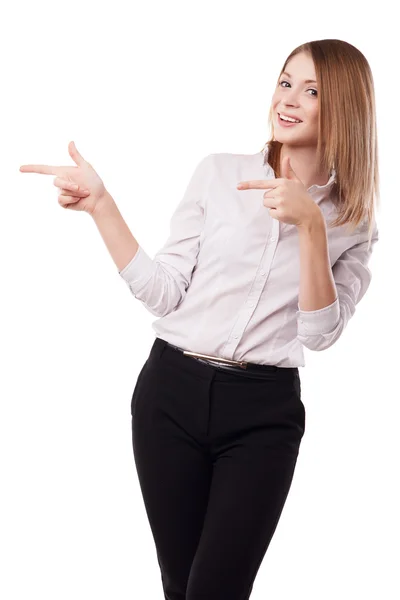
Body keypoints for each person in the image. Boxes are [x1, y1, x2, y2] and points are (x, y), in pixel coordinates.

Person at [19, 38, 380, 600]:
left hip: (263, 411)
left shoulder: (353, 221)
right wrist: (102, 207)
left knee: (218, 589)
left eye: (312, 90)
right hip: (170, 393)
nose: (288, 99)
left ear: (345, 106)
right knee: (179, 584)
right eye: (285, 82)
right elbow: (163, 294)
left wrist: (311, 227)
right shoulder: (217, 174)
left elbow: (320, 334)